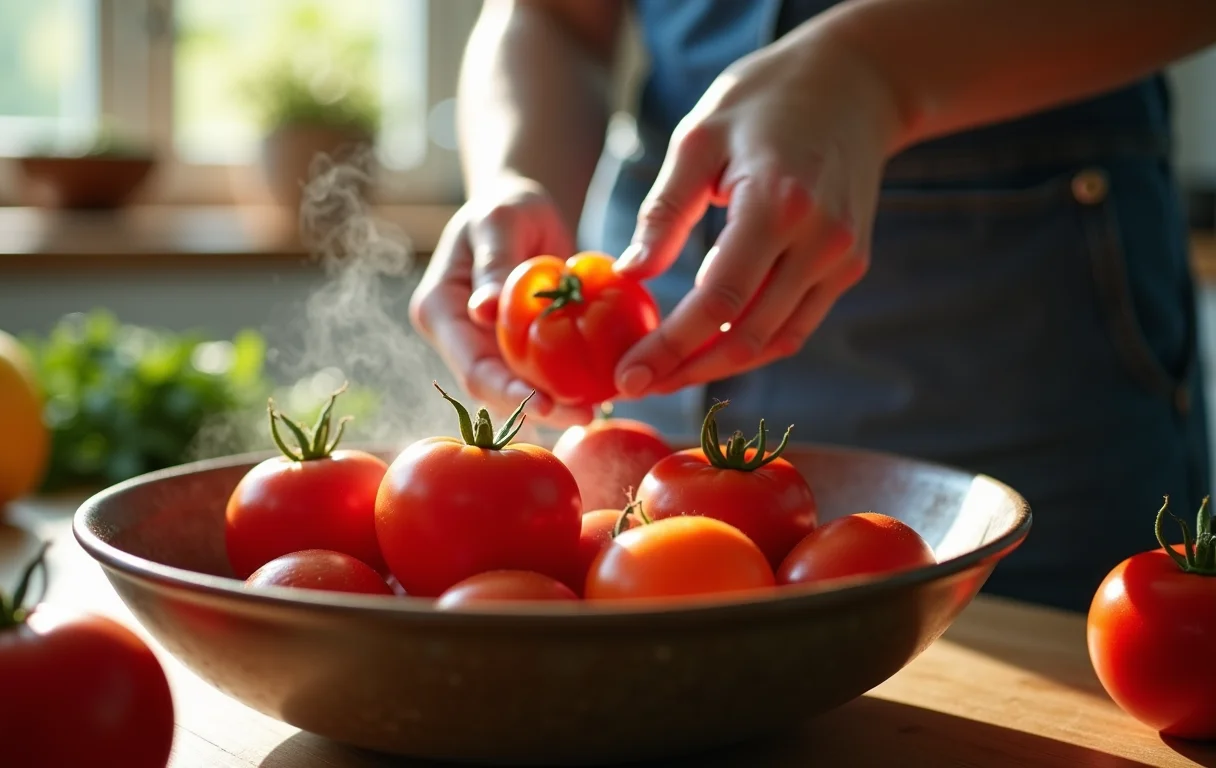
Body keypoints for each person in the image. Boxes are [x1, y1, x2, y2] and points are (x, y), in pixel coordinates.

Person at [408, 0, 1216, 612]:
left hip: (1019, 341)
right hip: (657, 341)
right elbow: (550, 16)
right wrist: (520, 180)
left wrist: (877, 72)